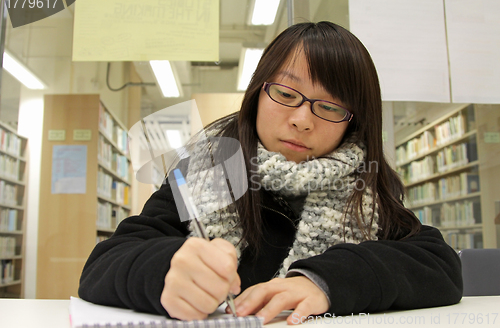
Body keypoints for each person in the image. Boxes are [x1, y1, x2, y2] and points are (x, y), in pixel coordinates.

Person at [78, 21, 462, 324]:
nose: (301, 120)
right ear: (258, 93)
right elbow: (105, 264)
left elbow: (439, 264)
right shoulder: (209, 171)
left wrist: (324, 283)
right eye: (286, 94)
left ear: (353, 123)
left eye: (330, 107)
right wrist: (165, 270)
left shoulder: (364, 191)